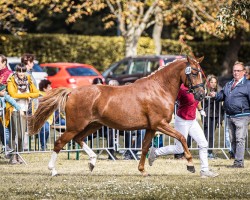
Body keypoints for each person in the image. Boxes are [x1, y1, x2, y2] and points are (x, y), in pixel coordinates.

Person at [148, 83, 219, 178]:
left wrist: (200, 109)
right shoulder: (181, 89)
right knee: (179, 149)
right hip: (182, 121)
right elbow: (172, 98)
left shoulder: (196, 86)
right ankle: (156, 152)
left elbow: (197, 100)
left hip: (192, 120)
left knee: (203, 144)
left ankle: (204, 170)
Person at [210, 61, 250, 168]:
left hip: (242, 116)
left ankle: (239, 162)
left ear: (244, 72)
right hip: (230, 116)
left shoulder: (248, 85)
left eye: (238, 71)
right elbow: (222, 96)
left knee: (240, 139)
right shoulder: (229, 84)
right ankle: (237, 159)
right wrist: (215, 95)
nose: (236, 73)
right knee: (232, 140)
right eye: (234, 70)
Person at [6, 64, 40, 164]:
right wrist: (27, 96)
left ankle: (19, 154)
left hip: (25, 110)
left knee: (21, 134)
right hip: (14, 110)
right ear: (16, 71)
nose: (21, 73)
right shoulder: (11, 80)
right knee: (14, 133)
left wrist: (25, 95)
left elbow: (37, 93)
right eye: (19, 71)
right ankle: (12, 156)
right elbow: (13, 94)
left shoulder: (28, 80)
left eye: (23, 71)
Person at [203, 74, 223, 159]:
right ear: (208, 83)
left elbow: (222, 99)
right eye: (211, 82)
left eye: (215, 82)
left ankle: (209, 152)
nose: (213, 84)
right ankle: (205, 151)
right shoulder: (204, 91)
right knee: (206, 134)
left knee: (211, 135)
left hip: (215, 115)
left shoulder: (219, 91)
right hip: (207, 115)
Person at [0, 84, 24, 154]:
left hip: (1, 119)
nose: (4, 92)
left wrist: (19, 109)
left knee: (4, 132)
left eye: (5, 91)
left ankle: (6, 146)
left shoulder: (5, 96)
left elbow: (12, 101)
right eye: (2, 91)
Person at [38, 79, 53, 151]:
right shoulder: (39, 95)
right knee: (45, 129)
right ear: (44, 89)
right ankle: (43, 146)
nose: (51, 88)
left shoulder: (51, 95)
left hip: (51, 118)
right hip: (42, 118)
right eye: (49, 87)